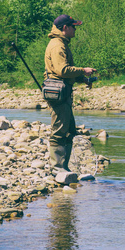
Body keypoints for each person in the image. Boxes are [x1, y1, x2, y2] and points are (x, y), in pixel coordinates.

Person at [44, 14, 96, 174]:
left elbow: (65, 72)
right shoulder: (57, 46)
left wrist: (84, 79)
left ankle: (64, 167)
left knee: (69, 130)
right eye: (74, 26)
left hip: (63, 92)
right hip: (57, 93)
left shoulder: (61, 43)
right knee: (60, 130)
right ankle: (57, 169)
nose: (75, 29)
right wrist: (83, 70)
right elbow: (62, 70)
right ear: (65, 28)